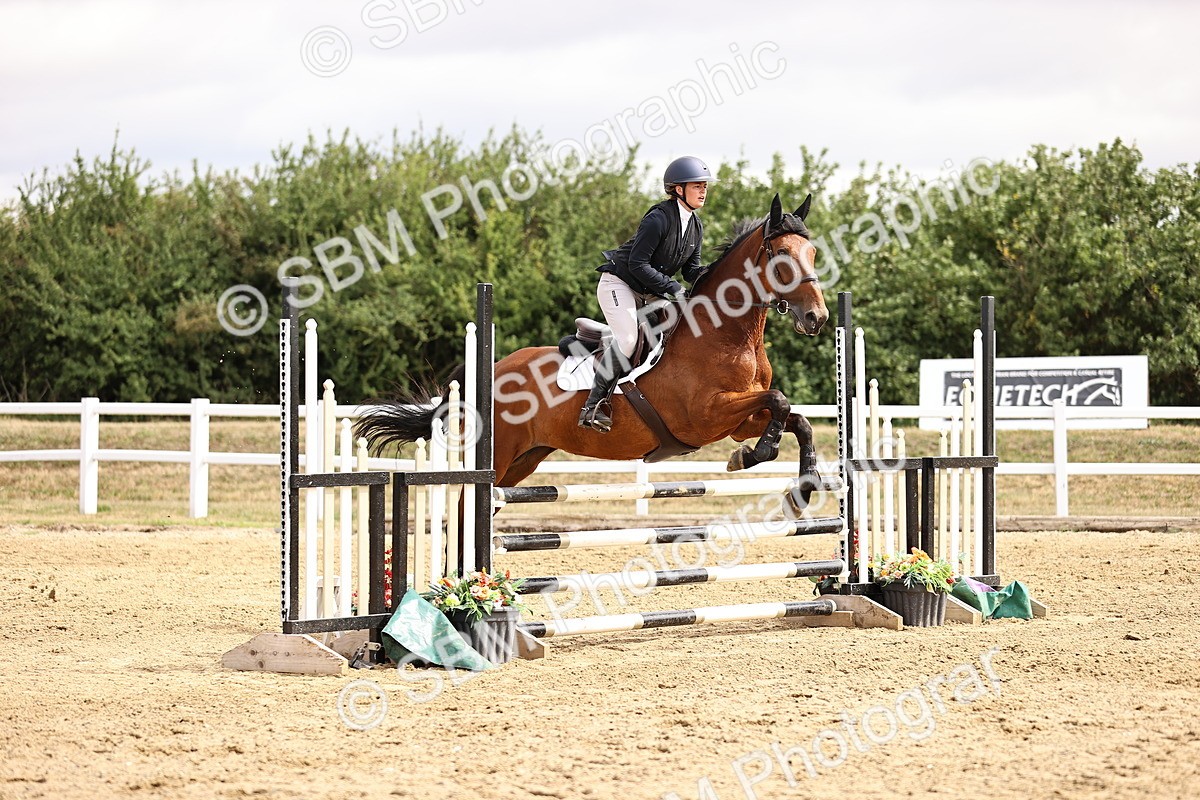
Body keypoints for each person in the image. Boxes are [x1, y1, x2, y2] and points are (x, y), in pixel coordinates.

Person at [578, 155, 715, 432]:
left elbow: (691, 271)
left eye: (704, 186)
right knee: (629, 340)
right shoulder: (658, 218)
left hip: (649, 290)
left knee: (680, 330)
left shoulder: (695, 226)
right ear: (679, 189)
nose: (703, 191)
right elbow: (637, 264)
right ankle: (593, 406)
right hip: (619, 283)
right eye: (697, 186)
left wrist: (717, 273)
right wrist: (673, 288)